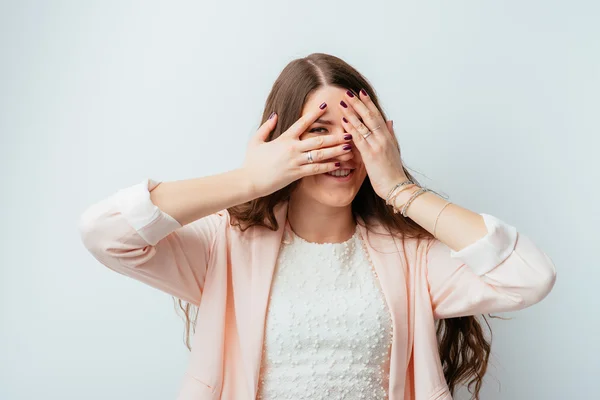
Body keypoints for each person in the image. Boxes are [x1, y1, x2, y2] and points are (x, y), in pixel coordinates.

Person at [78, 52, 557, 400]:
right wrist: (248, 180)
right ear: (282, 138)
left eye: (357, 129)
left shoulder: (411, 257)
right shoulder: (224, 246)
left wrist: (401, 191)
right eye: (319, 131)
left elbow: (528, 277)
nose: (342, 147)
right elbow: (106, 233)